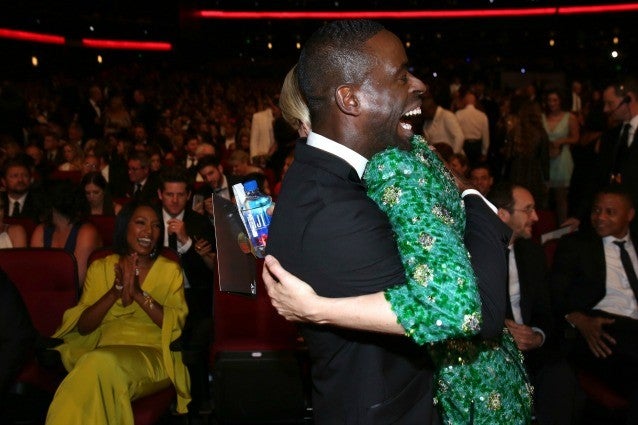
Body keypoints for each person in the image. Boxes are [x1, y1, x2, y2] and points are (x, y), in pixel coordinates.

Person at [266, 20, 530, 424]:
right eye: (401, 75)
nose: (420, 84)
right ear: (350, 99)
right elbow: (477, 313)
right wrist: (475, 201)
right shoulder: (331, 209)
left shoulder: (359, 171)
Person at [44, 201, 190, 424]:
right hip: (102, 352)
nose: (149, 232)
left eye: (156, 226)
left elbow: (174, 325)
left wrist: (138, 294)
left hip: (153, 356)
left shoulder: (170, 270)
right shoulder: (100, 267)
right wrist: (115, 291)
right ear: (125, 227)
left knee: (96, 365)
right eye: (140, 223)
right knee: (94, 368)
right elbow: (83, 327)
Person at [488, 182, 581, 425]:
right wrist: (502, 330)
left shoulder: (532, 253)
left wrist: (537, 335)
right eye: (528, 210)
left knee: (560, 375)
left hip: (531, 348)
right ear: (503, 214)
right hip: (491, 345)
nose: (536, 217)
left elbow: (545, 308)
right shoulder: (478, 253)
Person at [551, 184, 638, 424]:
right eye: (596, 210)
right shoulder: (576, 245)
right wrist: (577, 318)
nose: (600, 217)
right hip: (603, 328)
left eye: (610, 212)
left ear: (629, 215)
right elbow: (554, 294)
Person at [157, 166, 216, 417]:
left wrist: (186, 242)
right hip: (156, 296)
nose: (174, 200)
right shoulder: (147, 220)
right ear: (160, 194)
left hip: (193, 296)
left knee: (196, 339)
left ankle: (198, 402)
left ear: (189, 195)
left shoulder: (200, 223)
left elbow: (208, 276)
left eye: (180, 195)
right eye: (169, 194)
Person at [30, 179, 101, 285]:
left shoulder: (87, 233)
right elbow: (34, 274)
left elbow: (77, 280)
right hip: (44, 291)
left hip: (76, 293)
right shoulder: (41, 231)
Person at [542, 87, 580, 225]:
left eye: (555, 100)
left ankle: (563, 230)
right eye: (549, 100)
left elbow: (576, 138)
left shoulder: (569, 117)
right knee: (544, 199)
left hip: (562, 160)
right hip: (546, 160)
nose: (552, 103)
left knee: (561, 200)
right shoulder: (542, 117)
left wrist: (562, 140)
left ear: (560, 101)